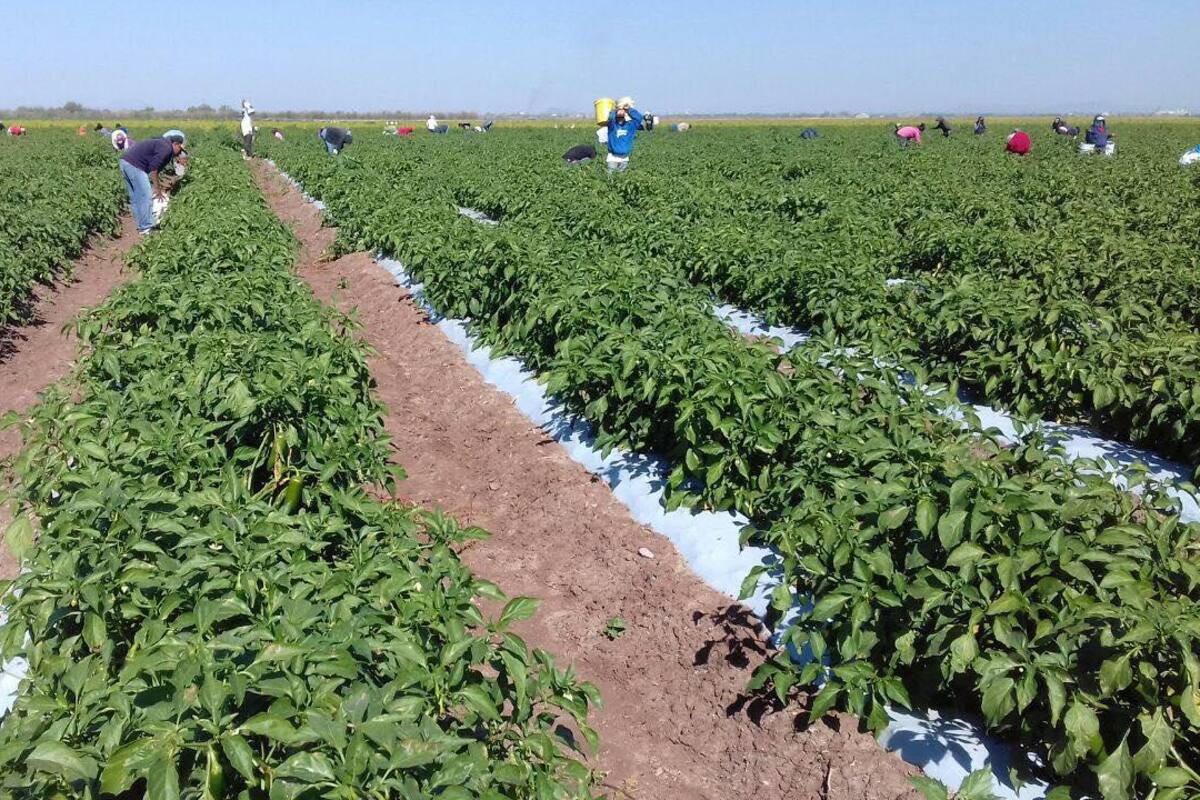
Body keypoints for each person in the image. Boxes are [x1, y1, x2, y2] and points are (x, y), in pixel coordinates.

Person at [120, 133, 185, 234]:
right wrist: (157, 189)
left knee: (136, 197)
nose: (180, 153)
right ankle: (146, 227)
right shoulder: (166, 148)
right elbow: (153, 169)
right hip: (135, 165)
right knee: (146, 195)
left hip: (125, 162)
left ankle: (142, 226)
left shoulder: (163, 144)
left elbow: (155, 168)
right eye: (180, 150)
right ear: (176, 144)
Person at [605, 97, 644, 172]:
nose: (620, 119)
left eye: (622, 117)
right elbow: (610, 118)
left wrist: (628, 109)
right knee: (611, 178)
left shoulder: (630, 126)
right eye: (618, 117)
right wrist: (617, 110)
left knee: (621, 178)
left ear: (625, 117)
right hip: (612, 158)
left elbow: (639, 118)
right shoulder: (612, 126)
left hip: (624, 158)